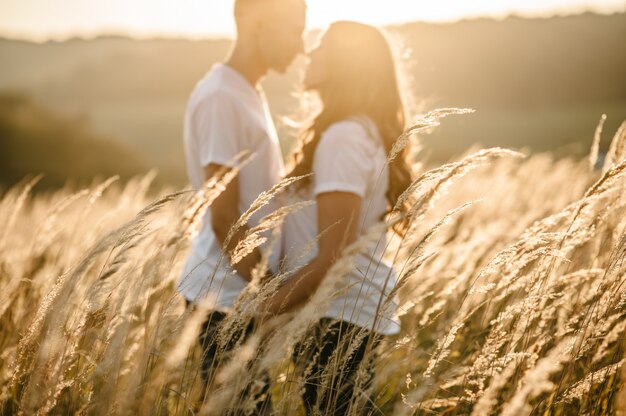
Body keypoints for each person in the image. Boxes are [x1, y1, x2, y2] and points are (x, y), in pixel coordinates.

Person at [262, 21, 414, 415]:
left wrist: (263, 311)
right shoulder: (356, 131)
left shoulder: (344, 138)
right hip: (342, 312)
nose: (310, 53)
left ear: (346, 65)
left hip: (337, 316)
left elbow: (333, 255)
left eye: (322, 47)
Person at [177, 0, 306, 412]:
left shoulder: (247, 89)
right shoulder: (221, 97)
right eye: (293, 29)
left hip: (239, 294)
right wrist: (270, 295)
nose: (301, 45)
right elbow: (225, 217)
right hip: (224, 297)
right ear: (255, 23)